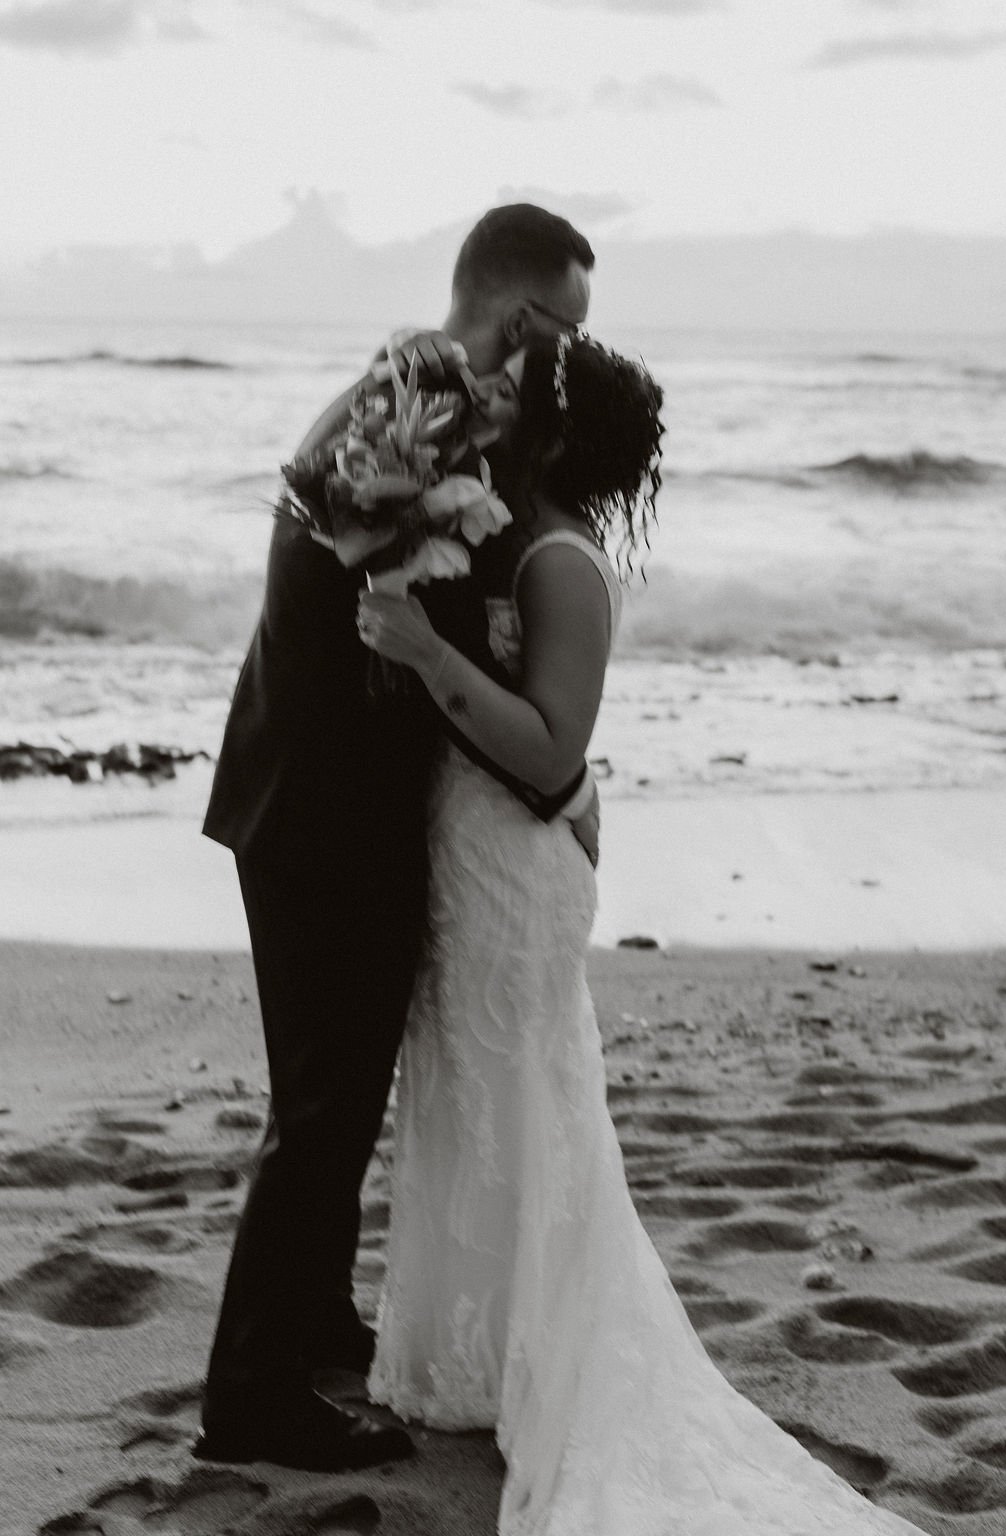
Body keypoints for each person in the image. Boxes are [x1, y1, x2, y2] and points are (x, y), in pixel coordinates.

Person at [356, 332, 932, 1535]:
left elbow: (553, 750)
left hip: (515, 869)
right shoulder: (487, 532)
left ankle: (544, 1364)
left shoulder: (564, 566)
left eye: (512, 393)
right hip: (465, 854)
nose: (489, 399)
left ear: (555, 435)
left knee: (526, 1100)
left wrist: (424, 655)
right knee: (466, 1093)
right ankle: (470, 1360)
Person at [194, 205, 596, 1473]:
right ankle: (251, 1394)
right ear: (524, 320)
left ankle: (309, 1319)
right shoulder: (411, 409)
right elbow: (368, 596)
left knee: (337, 1090)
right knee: (323, 1103)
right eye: (568, 331)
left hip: (314, 794)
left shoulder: (408, 388)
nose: (570, 358)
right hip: (320, 808)